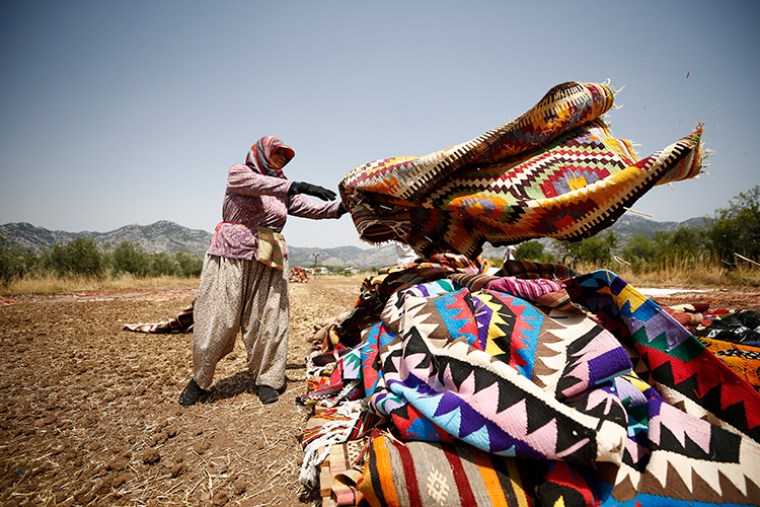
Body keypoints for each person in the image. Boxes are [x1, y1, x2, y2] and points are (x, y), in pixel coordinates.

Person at [179, 136, 347, 406]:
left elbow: (307, 207)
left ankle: (268, 378)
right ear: (261, 154)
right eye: (276, 154)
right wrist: (296, 185)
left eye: (284, 157)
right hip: (230, 252)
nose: (280, 160)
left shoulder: (282, 188)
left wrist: (341, 208)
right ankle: (200, 380)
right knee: (218, 317)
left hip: (269, 251)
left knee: (269, 317)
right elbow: (257, 184)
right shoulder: (239, 172)